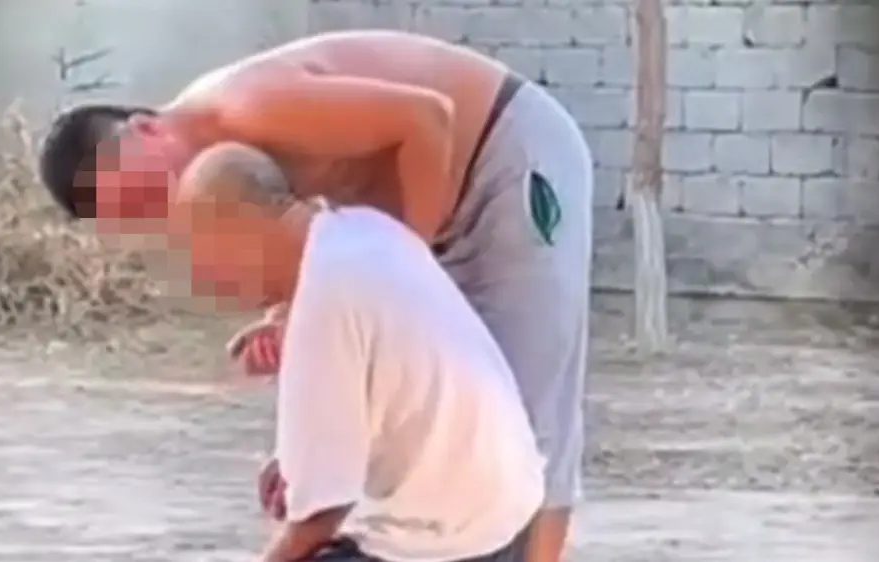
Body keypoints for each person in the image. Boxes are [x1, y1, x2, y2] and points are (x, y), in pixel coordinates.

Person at [37, 29, 594, 562]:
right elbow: (319, 252)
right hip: (421, 217)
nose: (157, 204)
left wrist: (407, 272)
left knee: (529, 417)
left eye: (142, 188)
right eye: (136, 213)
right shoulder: (231, 186)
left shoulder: (247, 108)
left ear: (146, 129)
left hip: (504, 153)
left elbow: (428, 119)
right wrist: (294, 328)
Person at [172, 142, 546, 561]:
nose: (203, 274)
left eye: (201, 249)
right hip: (507, 513)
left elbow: (319, 514)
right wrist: (297, 461)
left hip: (453, 541)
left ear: (235, 229)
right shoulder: (362, 228)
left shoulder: (323, 301)